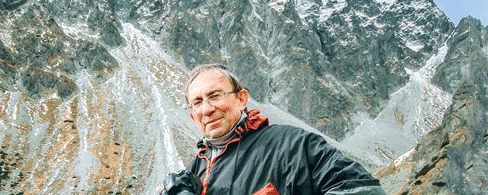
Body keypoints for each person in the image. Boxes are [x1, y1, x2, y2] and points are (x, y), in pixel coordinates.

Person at [157, 63, 385, 195]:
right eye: (197, 102)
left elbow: (363, 190)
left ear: (242, 99)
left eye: (215, 95)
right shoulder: (193, 173)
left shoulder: (294, 145)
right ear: (192, 115)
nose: (206, 109)